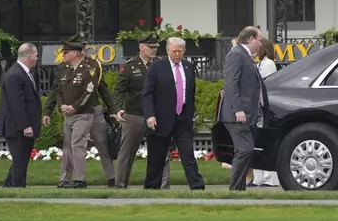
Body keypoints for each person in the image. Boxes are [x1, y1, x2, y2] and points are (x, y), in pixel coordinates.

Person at [44, 34, 119, 188]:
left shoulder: (93, 65)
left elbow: (102, 88)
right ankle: (66, 179)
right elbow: (55, 90)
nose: (84, 49)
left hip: (93, 110)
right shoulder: (63, 67)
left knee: (102, 144)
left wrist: (113, 109)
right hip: (73, 113)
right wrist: (49, 110)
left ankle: (112, 178)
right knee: (70, 145)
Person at [142, 37, 205, 190]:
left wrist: (191, 115)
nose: (177, 54)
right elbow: (147, 93)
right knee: (156, 158)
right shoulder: (157, 67)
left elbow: (190, 93)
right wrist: (150, 115)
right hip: (160, 119)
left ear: (184, 51)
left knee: (188, 154)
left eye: (180, 51)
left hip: (182, 118)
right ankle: (151, 188)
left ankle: (197, 187)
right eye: (174, 51)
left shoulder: (189, 67)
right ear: (168, 51)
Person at [113, 33, 170, 189]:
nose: (154, 50)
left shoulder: (160, 65)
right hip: (134, 115)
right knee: (127, 153)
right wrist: (117, 110)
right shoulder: (130, 66)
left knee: (161, 153)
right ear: (141, 47)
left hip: (156, 116)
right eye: (151, 47)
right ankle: (120, 185)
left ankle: (163, 187)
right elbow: (118, 91)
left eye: (156, 47)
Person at [218, 26, 268, 191]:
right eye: (259, 40)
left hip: (246, 114)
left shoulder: (245, 55)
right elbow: (230, 84)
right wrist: (237, 109)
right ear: (250, 39)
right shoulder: (237, 54)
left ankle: (238, 188)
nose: (261, 44)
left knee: (245, 150)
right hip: (236, 115)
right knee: (245, 149)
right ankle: (235, 188)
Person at [0, 43, 40, 188]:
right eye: (36, 56)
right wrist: (25, 126)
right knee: (20, 162)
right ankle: (18, 191)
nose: (37, 59)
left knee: (19, 161)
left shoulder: (28, 73)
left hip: (22, 127)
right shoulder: (14, 75)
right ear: (29, 56)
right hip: (16, 128)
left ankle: (8, 188)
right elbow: (17, 104)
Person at [251, 38, 279, 187]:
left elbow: (264, 84)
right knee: (257, 142)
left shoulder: (268, 64)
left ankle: (269, 179)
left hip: (263, 108)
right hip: (257, 109)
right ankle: (258, 178)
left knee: (264, 141)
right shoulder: (260, 63)